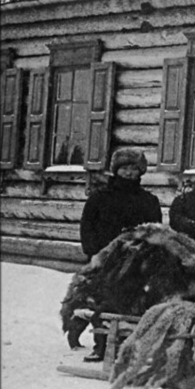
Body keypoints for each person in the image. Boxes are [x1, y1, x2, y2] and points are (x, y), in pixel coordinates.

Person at [77, 149, 162, 360]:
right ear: (116, 170)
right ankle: (101, 344)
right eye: (124, 168)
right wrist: (94, 253)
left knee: (131, 302)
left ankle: (126, 345)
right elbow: (87, 227)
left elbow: (155, 231)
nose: (129, 173)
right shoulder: (100, 198)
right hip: (104, 261)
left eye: (134, 168)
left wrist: (146, 256)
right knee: (101, 301)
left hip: (135, 263)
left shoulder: (148, 201)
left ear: (141, 171)